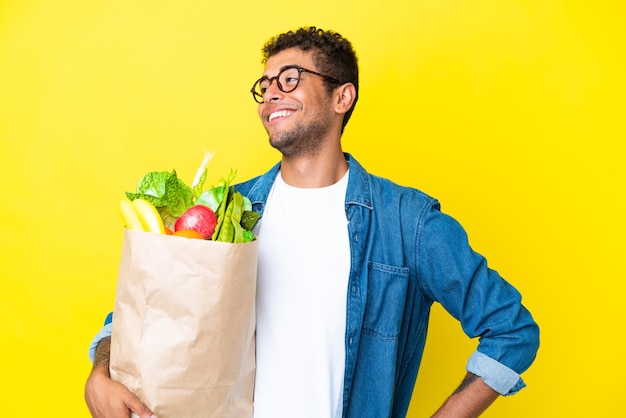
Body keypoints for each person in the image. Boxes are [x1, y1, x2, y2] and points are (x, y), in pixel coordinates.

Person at [85, 26, 539, 418]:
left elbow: (512, 331)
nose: (271, 95)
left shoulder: (407, 222)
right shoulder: (228, 211)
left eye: (289, 79)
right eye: (264, 86)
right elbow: (141, 313)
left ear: (343, 96)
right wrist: (100, 372)